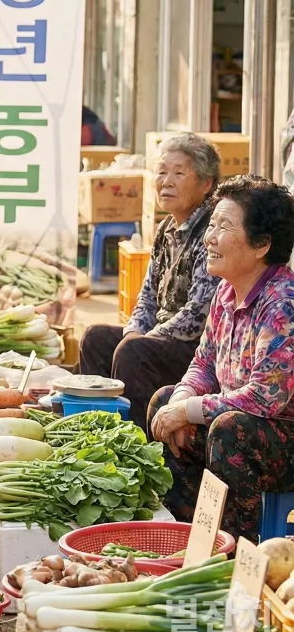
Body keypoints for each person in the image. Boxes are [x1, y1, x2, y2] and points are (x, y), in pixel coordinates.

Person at [147, 176, 294, 543]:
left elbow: (266, 397)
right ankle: (187, 535)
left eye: (224, 227)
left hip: (283, 437)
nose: (210, 236)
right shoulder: (227, 290)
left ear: (261, 244)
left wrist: (190, 410)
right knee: (164, 402)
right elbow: (204, 363)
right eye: (211, 223)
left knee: (228, 430)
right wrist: (181, 401)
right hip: (243, 427)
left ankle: (232, 548)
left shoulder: (283, 303)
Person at [80, 134, 220, 431]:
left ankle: (135, 443)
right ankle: (95, 429)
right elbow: (147, 296)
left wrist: (145, 338)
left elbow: (198, 315)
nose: (166, 181)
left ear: (205, 184)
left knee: (133, 352)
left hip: (196, 348)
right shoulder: (166, 228)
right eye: (161, 171)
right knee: (95, 338)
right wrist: (134, 331)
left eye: (179, 173)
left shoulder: (212, 231)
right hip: (162, 336)